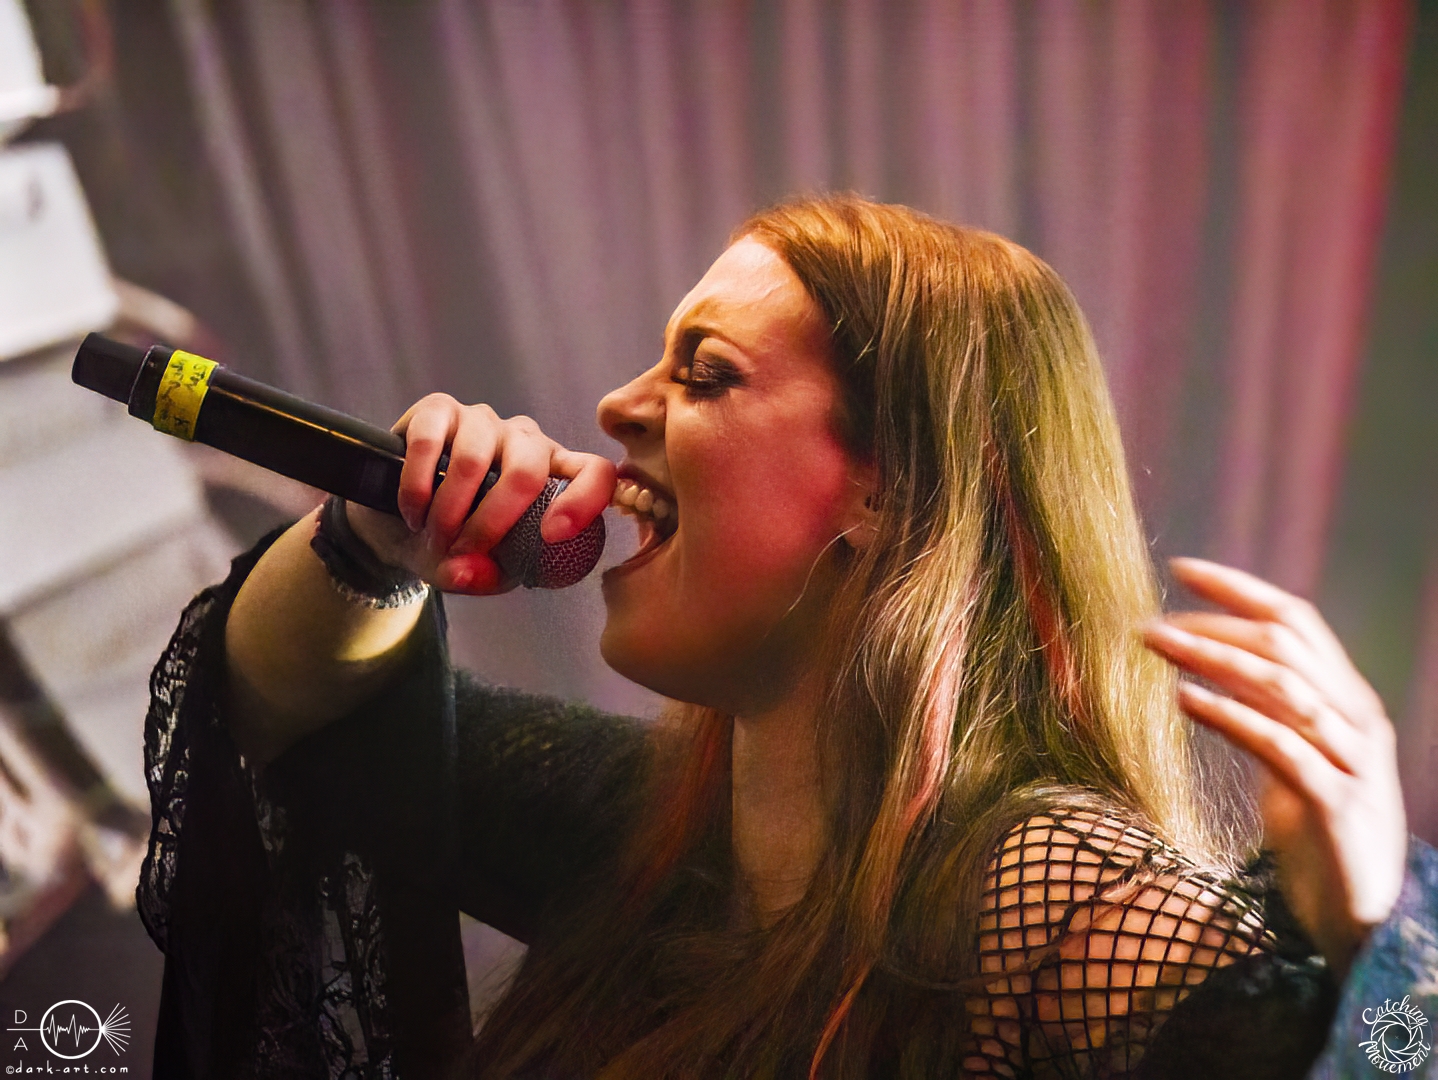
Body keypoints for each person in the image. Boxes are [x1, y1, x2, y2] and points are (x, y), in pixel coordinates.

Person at [140, 196, 1436, 1079]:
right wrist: (375, 543)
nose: (616, 407)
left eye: (703, 373)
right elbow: (280, 716)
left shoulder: (1044, 893)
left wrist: (1380, 950)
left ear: (893, 490)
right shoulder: (659, 833)